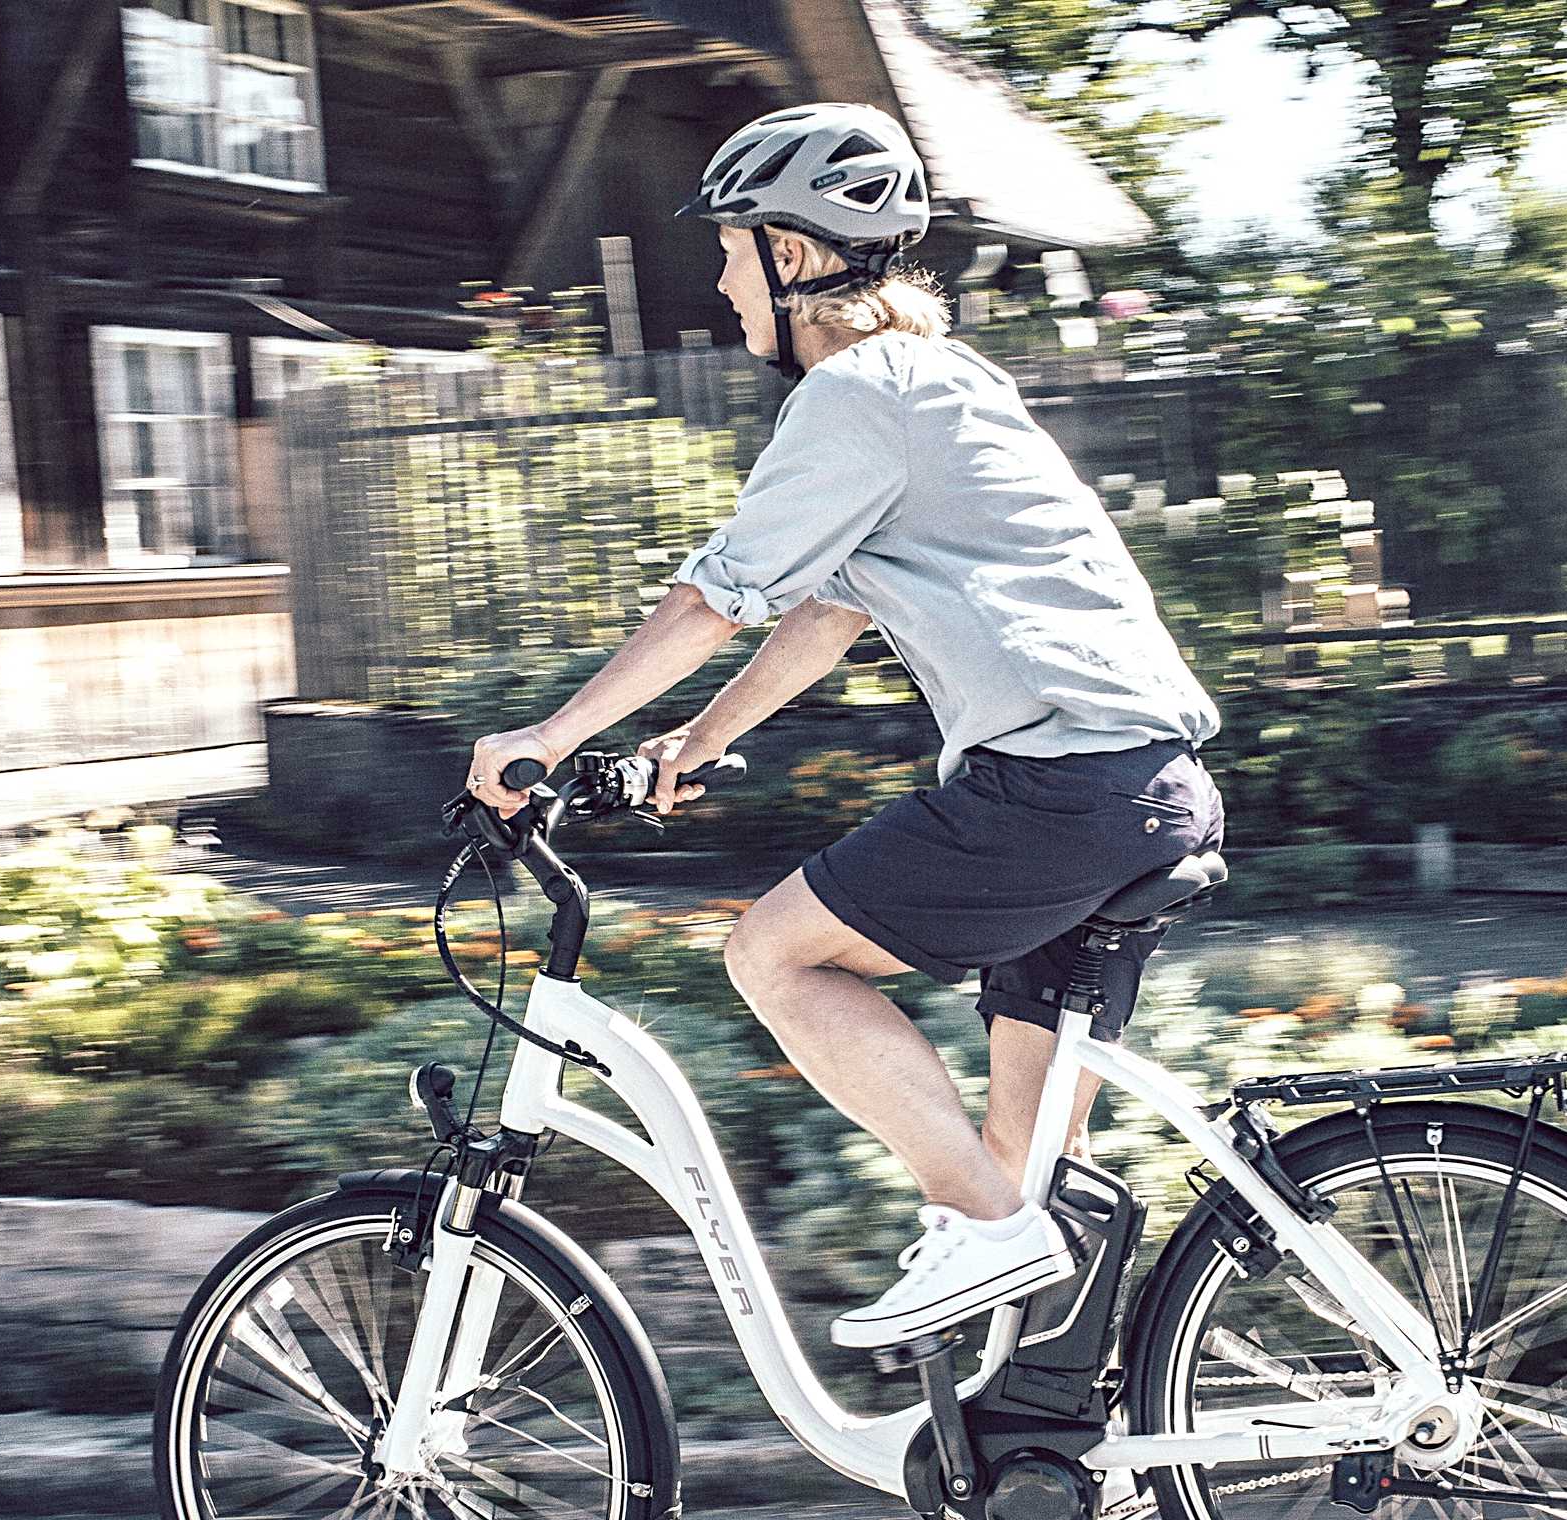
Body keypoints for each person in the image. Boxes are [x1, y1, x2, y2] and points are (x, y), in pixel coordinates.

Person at [465, 104, 1222, 1351]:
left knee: (772, 956)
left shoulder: (853, 394)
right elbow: (822, 612)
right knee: (1026, 1170)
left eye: (731, 251)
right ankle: (1040, 1465)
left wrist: (543, 735)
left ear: (798, 257)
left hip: (1056, 792)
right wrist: (692, 745)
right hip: (1140, 788)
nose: (719, 282)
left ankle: (986, 1233)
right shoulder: (939, 380)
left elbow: (713, 595)